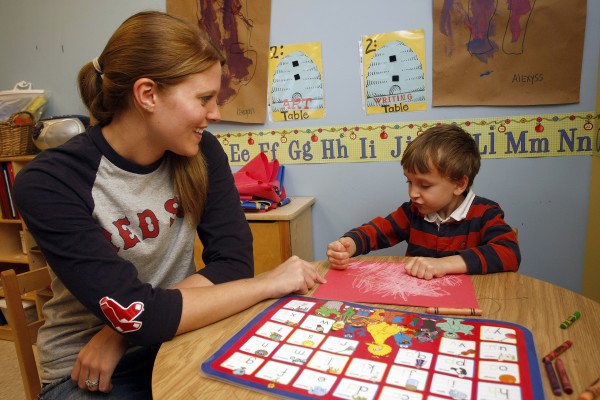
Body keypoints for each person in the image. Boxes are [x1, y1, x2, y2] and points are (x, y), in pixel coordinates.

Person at [13, 11, 325, 399]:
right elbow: (141, 313)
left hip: (178, 334)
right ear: (147, 95)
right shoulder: (49, 182)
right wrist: (265, 284)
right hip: (88, 369)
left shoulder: (201, 152)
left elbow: (232, 263)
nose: (215, 114)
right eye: (204, 98)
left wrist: (124, 331)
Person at [327, 124, 520, 280]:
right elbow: (378, 230)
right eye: (409, 182)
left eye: (424, 185)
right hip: (417, 303)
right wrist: (350, 243)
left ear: (459, 184)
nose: (413, 193)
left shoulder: (485, 213)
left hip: (465, 304)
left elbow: (509, 253)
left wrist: (444, 264)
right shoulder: (413, 212)